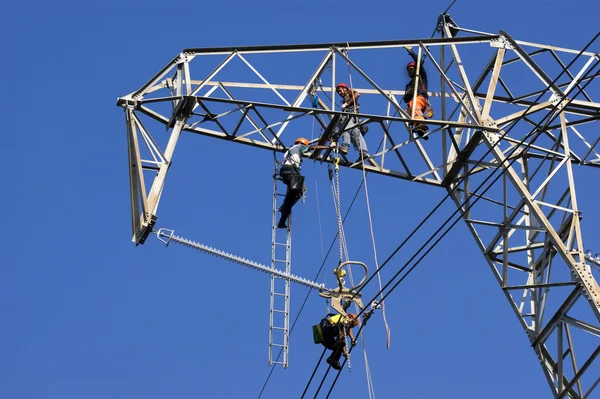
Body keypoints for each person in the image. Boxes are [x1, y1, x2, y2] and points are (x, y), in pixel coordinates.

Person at [277, 137, 310, 228]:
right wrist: (327, 147)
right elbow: (312, 149)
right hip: (291, 172)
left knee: (291, 195)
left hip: (285, 173)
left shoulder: (289, 151)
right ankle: (284, 206)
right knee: (300, 190)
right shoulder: (299, 146)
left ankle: (282, 220)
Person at [335, 83, 369, 161]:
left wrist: (347, 104)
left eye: (340, 91)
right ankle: (363, 152)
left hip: (351, 116)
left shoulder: (349, 91)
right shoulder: (345, 98)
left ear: (345, 88)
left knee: (345, 129)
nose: (339, 93)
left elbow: (357, 94)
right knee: (356, 134)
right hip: (352, 117)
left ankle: (345, 146)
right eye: (338, 93)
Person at [403, 46, 430, 140]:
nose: (410, 71)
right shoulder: (409, 85)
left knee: (414, 104)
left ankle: (422, 124)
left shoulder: (421, 76)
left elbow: (419, 63)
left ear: (415, 69)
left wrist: (411, 52)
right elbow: (405, 99)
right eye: (408, 70)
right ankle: (421, 130)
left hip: (421, 98)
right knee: (410, 108)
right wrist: (408, 93)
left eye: (411, 69)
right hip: (414, 102)